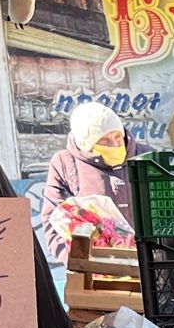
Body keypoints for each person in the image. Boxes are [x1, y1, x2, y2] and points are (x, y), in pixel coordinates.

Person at [38, 101, 141, 265]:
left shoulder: (145, 157)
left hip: (150, 267)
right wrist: (75, 262)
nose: (115, 144)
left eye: (117, 137)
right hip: (97, 268)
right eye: (105, 141)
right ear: (86, 144)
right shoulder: (65, 163)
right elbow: (54, 220)